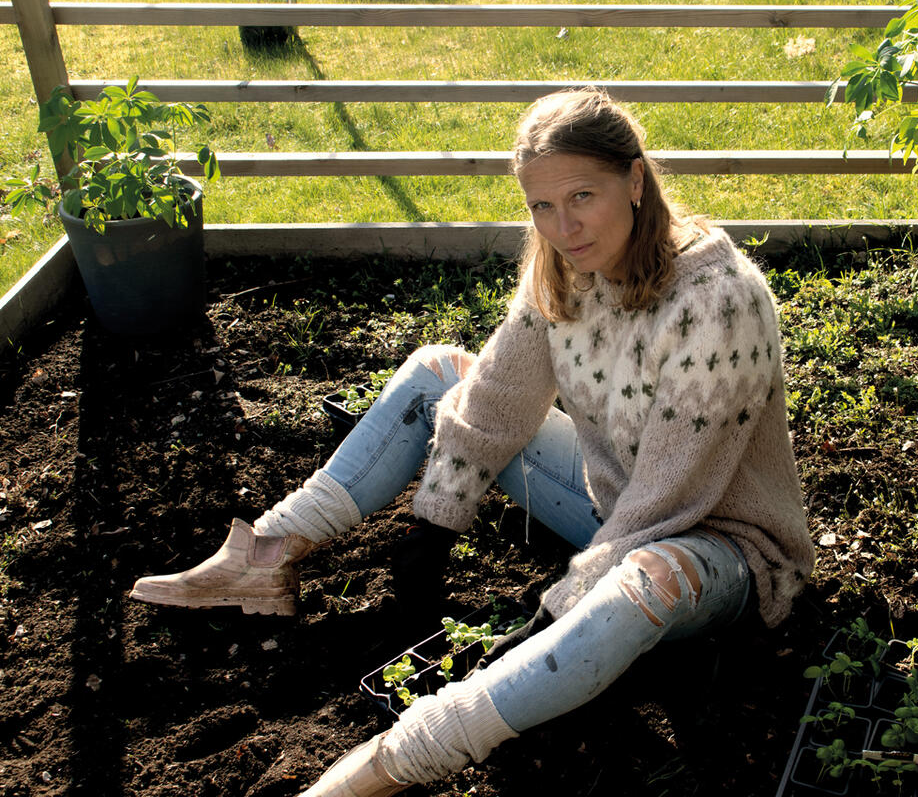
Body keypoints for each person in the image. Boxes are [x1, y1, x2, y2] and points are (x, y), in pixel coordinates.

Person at [129, 87, 815, 796]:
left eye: (583, 196)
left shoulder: (717, 303)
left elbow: (668, 501)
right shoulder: (564, 269)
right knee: (438, 374)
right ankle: (267, 553)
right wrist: (434, 523)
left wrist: (562, 604)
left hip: (720, 544)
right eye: (540, 207)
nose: (563, 226)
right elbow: (495, 398)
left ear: (635, 179)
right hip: (618, 506)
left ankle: (407, 755)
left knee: (648, 578)